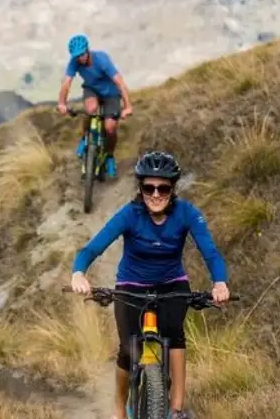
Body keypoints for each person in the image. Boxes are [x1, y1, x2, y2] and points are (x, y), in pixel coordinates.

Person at [69, 151, 231, 419]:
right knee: (127, 350)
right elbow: (93, 248)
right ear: (141, 188)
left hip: (172, 284)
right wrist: (78, 273)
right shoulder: (130, 214)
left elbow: (210, 253)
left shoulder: (187, 213)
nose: (156, 194)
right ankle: (120, 409)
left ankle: (176, 409)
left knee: (176, 337)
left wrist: (220, 282)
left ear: (172, 189)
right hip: (131, 285)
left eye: (163, 187)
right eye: (149, 187)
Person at [57, 34, 133, 178]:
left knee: (110, 127)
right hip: (92, 89)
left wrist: (127, 106)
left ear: (88, 50)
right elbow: (66, 83)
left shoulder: (102, 60)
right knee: (90, 110)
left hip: (111, 92)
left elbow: (119, 82)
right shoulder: (74, 62)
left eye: (82, 54)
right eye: (77, 56)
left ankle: (109, 156)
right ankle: (85, 138)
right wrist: (62, 103)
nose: (80, 58)